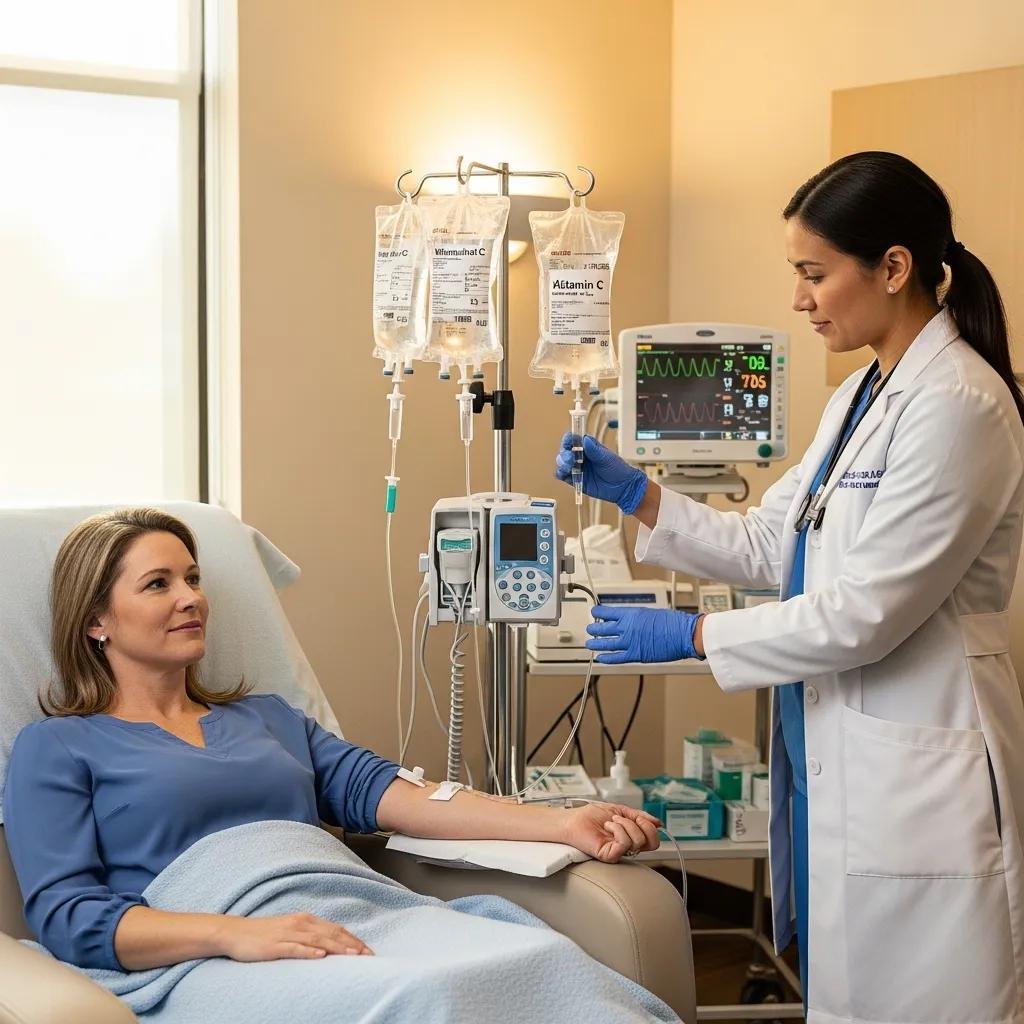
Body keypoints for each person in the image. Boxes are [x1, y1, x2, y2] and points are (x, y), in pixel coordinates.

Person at [555, 151, 1024, 1023]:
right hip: (849, 748)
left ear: (893, 267)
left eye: (815, 275)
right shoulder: (859, 397)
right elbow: (778, 540)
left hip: (922, 765)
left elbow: (864, 614)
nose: (800, 300)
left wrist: (692, 637)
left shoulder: (960, 403)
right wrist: (641, 494)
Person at [3, 507, 662, 1004]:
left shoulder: (269, 718)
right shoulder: (57, 746)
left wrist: (560, 821)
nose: (191, 597)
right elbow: (68, 916)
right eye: (158, 584)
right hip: (211, 958)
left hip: (354, 911)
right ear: (96, 622)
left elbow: (402, 795)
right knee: (426, 997)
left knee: (551, 966)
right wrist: (232, 934)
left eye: (194, 577)